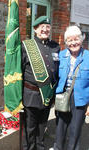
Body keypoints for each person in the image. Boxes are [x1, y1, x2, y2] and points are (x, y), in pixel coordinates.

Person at [21, 16, 60, 150]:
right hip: (31, 95)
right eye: (41, 27)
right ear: (35, 29)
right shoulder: (27, 46)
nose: (45, 29)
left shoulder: (55, 47)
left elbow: (57, 70)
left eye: (47, 27)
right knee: (30, 128)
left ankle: (40, 147)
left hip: (47, 95)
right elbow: (19, 72)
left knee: (42, 126)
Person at [51, 25, 89, 150]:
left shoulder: (88, 57)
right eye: (70, 40)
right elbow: (53, 76)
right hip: (63, 96)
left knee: (75, 131)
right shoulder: (60, 56)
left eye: (76, 39)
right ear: (66, 42)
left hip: (80, 99)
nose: (73, 43)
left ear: (81, 39)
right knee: (60, 129)